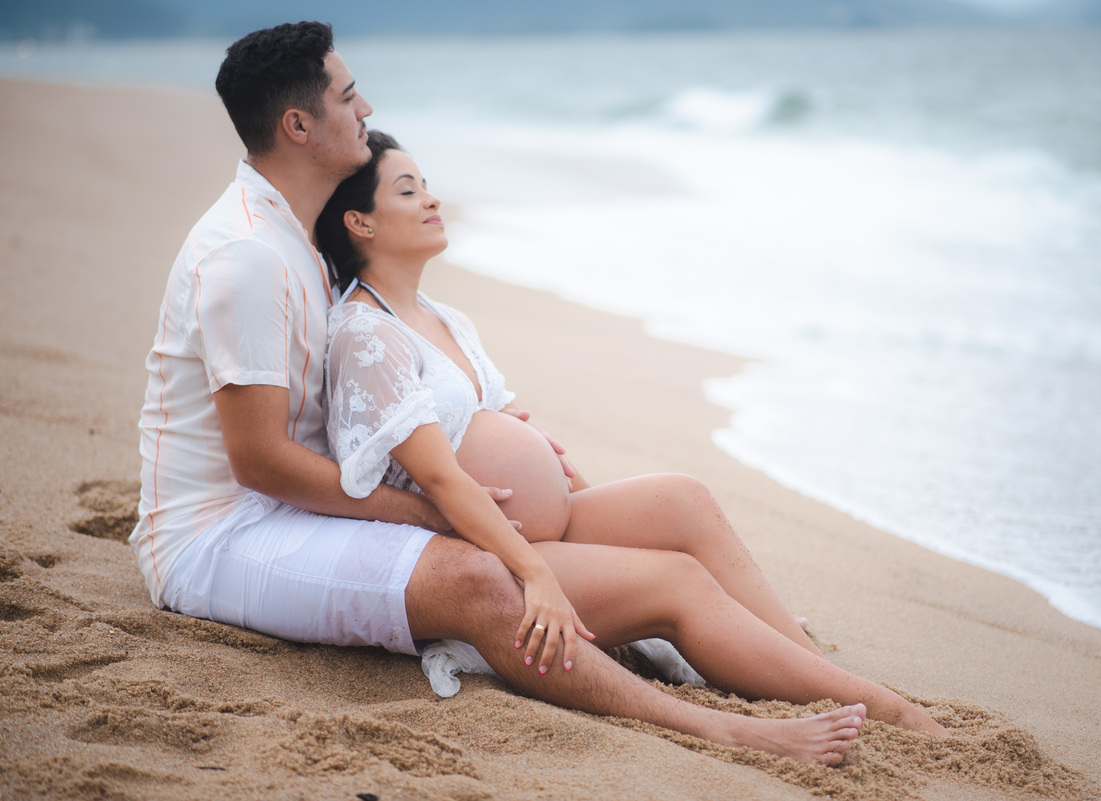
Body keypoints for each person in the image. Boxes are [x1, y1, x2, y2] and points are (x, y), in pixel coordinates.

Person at [125, 20, 914, 768]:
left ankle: (786, 659)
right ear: (299, 126)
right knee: (481, 578)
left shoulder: (308, 244)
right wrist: (443, 513)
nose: (366, 108)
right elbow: (261, 461)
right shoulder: (251, 256)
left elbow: (367, 388)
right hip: (221, 536)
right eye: (346, 94)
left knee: (673, 503)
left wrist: (490, 428)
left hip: (310, 503)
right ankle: (717, 726)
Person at [314, 130, 950, 738]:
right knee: (677, 579)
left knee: (681, 498)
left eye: (426, 183)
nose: (432, 198)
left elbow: (511, 431)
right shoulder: (365, 333)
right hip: (485, 558)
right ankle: (872, 705)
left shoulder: (441, 317)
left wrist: (572, 491)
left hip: (535, 529)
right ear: (361, 222)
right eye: (407, 190)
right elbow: (440, 478)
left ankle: (799, 654)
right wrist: (535, 574)